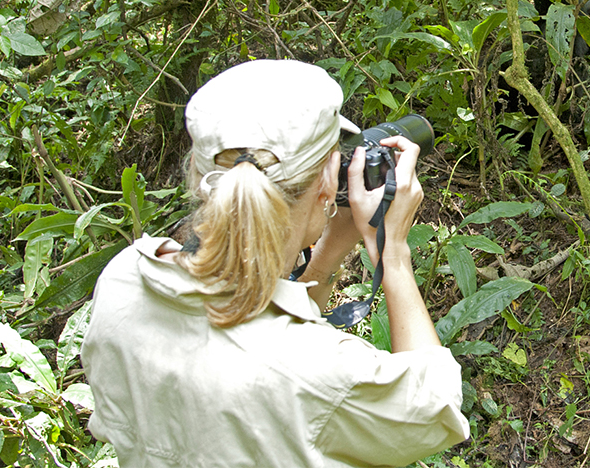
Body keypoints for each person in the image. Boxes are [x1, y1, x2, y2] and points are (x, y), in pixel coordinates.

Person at [81, 59, 470, 467]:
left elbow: (255, 317)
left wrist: (327, 253)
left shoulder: (123, 280)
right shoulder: (318, 373)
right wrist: (392, 253)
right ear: (328, 180)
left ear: (197, 172)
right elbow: (436, 407)